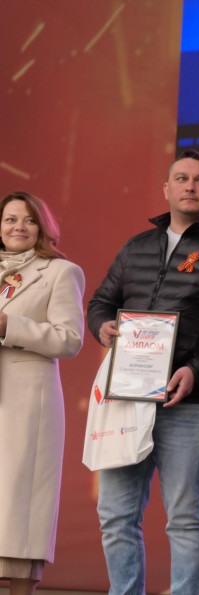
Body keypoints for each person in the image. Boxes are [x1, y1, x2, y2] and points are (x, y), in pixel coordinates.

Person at [87, 150, 199, 595]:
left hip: (191, 404)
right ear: (166, 189)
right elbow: (101, 302)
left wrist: (195, 372)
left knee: (184, 519)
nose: (190, 186)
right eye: (181, 178)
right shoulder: (136, 247)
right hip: (127, 399)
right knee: (115, 515)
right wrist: (101, 325)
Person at [0, 192, 84, 595]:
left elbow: (69, 339)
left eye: (29, 220)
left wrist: (9, 326)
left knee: (20, 511)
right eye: (10, 219)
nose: (18, 227)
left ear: (42, 228)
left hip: (26, 402)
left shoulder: (60, 272)